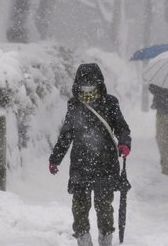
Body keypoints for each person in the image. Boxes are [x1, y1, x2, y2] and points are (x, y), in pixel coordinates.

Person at [49, 63, 131, 246]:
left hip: (106, 164)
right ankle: (83, 241)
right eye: (84, 81)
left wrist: (125, 143)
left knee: (104, 207)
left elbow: (122, 128)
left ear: (99, 82)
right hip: (80, 165)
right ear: (78, 82)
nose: (87, 85)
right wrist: (55, 159)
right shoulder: (74, 105)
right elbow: (66, 135)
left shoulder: (110, 103)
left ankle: (105, 241)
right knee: (79, 207)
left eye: (91, 81)